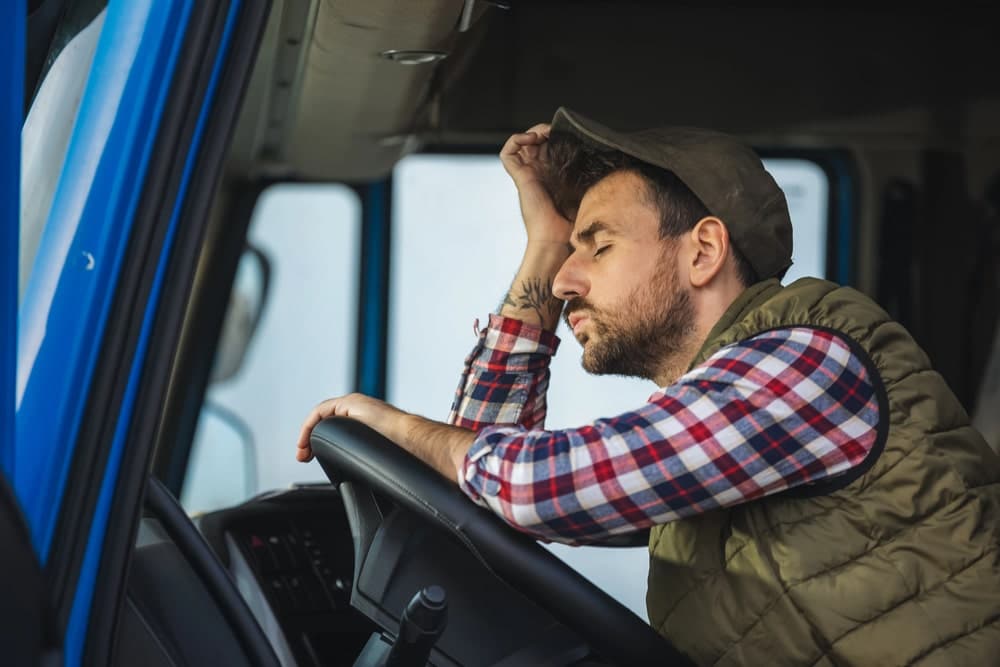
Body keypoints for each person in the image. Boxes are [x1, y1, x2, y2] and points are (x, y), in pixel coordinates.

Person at [296, 107, 1000, 666]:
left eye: (596, 245)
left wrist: (393, 425)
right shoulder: (715, 429)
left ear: (702, 251)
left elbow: (534, 487)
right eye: (565, 256)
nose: (566, 281)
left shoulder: (810, 361)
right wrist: (543, 248)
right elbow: (470, 498)